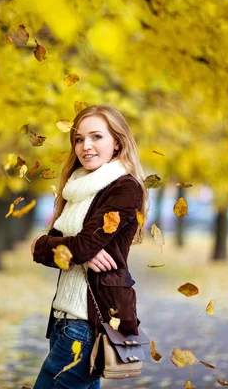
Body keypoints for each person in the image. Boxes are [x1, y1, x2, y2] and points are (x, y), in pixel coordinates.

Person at [30, 105, 149, 389]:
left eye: (97, 137)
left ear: (117, 142)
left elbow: (76, 247)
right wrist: (60, 248)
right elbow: (44, 249)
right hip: (62, 319)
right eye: (79, 139)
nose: (86, 146)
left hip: (88, 323)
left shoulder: (124, 188)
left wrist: (66, 248)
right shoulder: (77, 188)